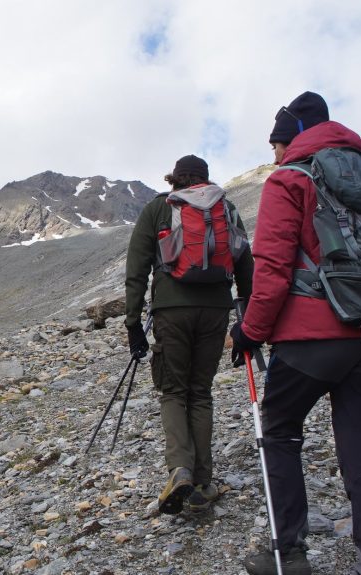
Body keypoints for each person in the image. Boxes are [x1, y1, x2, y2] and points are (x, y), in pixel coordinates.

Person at [231, 91, 361, 575]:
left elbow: (271, 270)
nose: (274, 156)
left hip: (314, 339)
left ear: (292, 138)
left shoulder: (290, 178)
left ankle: (288, 552)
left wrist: (249, 332)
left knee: (280, 430)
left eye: (276, 145)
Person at [125, 154, 253, 515]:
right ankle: (202, 482)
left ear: (175, 179)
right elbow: (245, 262)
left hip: (172, 310)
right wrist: (247, 319)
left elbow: (136, 268)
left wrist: (133, 323)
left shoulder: (158, 208)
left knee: (173, 391)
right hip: (216, 310)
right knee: (200, 392)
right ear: (205, 178)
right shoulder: (225, 208)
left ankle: (179, 469)